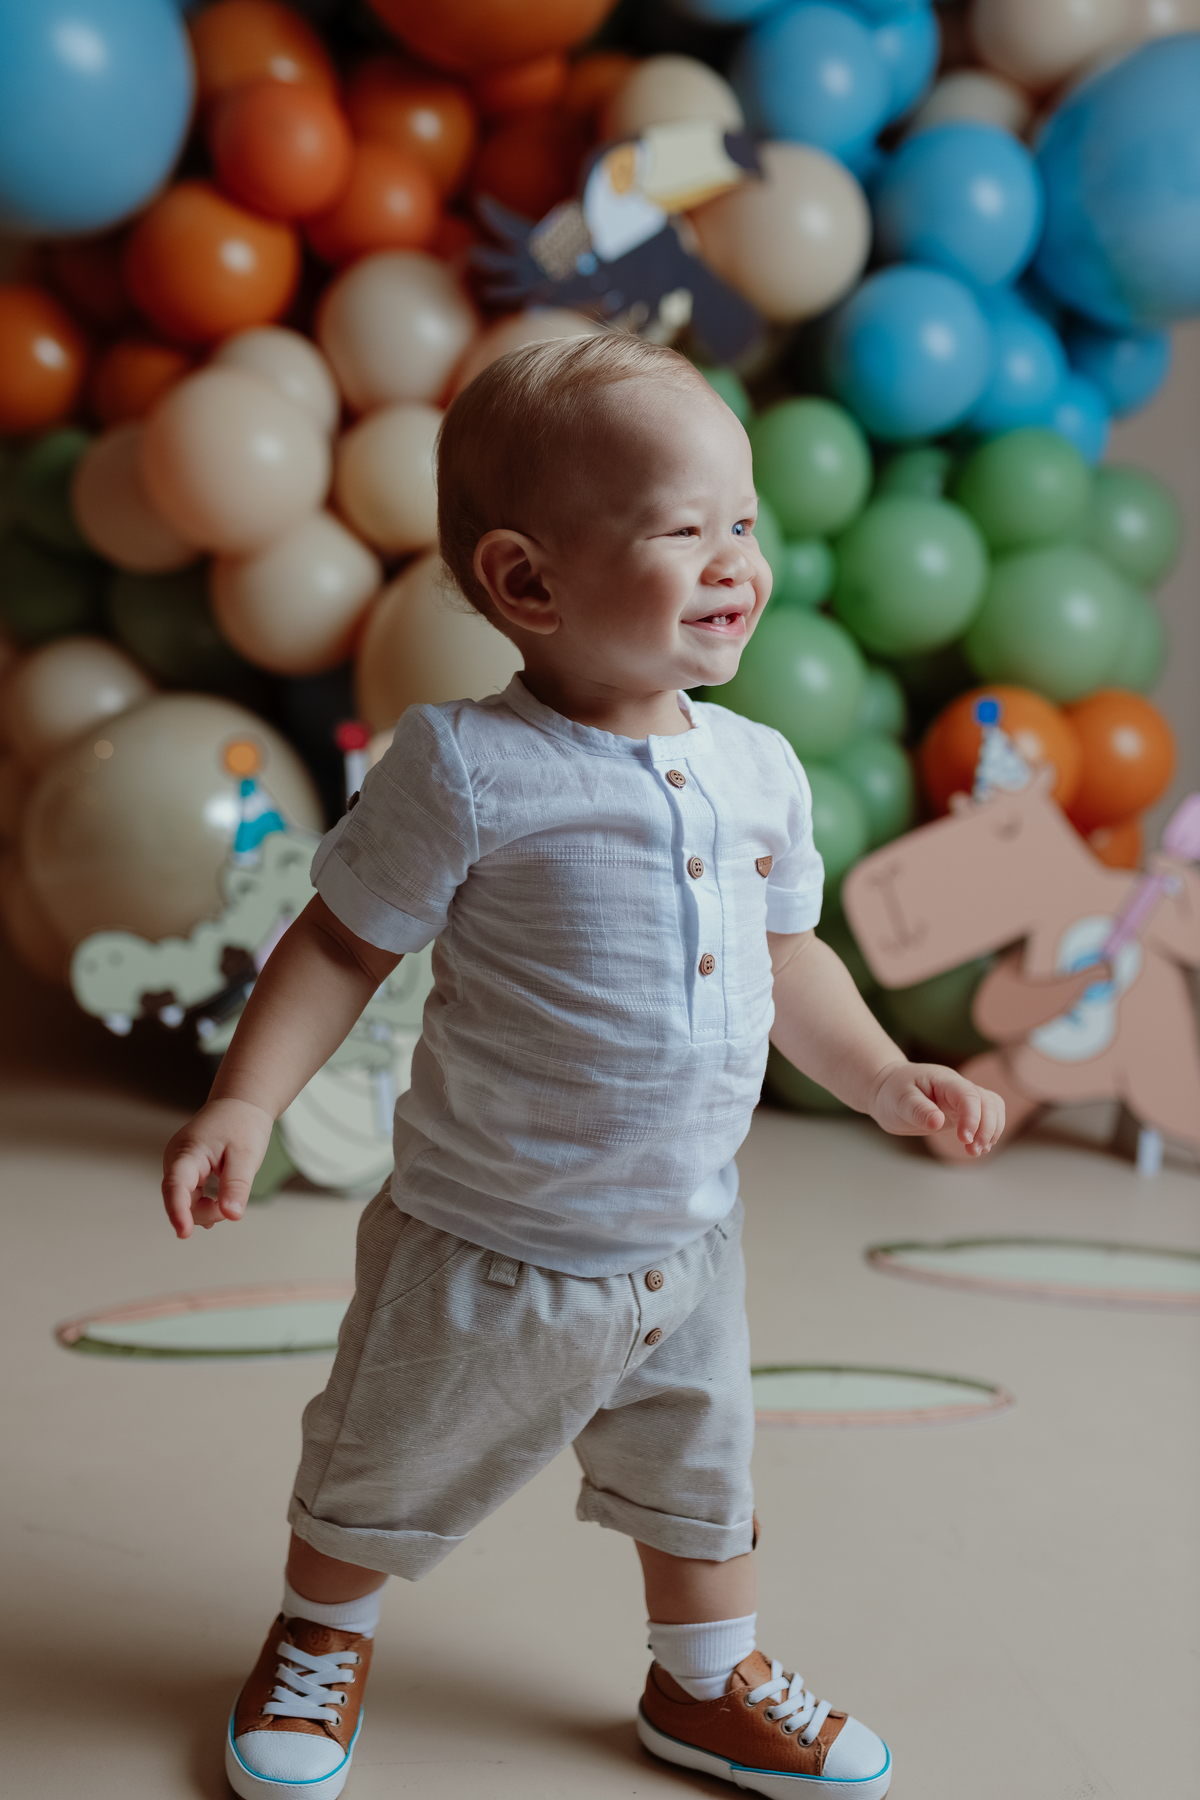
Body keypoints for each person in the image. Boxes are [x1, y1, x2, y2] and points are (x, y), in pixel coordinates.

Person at [162, 335, 1004, 1800]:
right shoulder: (467, 767)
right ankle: (319, 1633)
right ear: (527, 583)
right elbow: (341, 944)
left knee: (703, 1481)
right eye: (685, 529)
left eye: (744, 521)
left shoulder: (758, 769)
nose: (737, 560)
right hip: (487, 1243)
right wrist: (246, 1098)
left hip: (684, 1245)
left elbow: (787, 956)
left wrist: (880, 1074)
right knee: (383, 1465)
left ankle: (705, 1679)